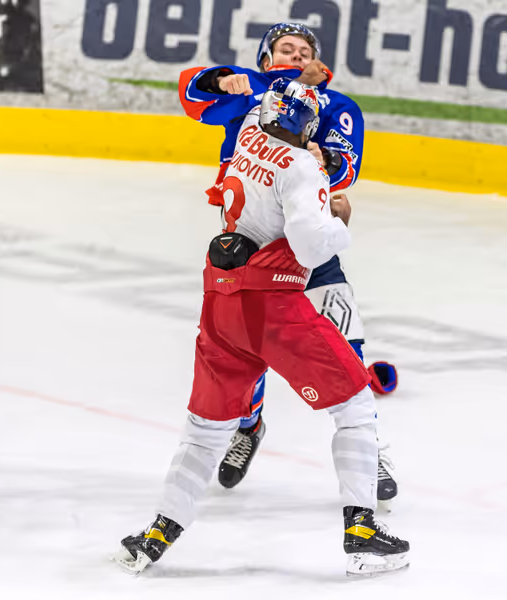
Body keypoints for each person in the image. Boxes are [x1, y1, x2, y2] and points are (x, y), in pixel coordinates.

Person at [114, 79, 409, 577]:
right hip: (274, 308)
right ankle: (362, 532)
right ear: (308, 127)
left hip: (220, 305)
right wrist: (341, 220)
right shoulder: (301, 167)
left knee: (205, 430)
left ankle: (156, 535)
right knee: (356, 406)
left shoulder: (248, 134)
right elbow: (311, 246)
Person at [178, 23, 399, 507]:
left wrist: (323, 160)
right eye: (286, 50)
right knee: (242, 347)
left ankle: (370, 446)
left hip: (308, 240)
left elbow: (347, 167)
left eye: (304, 52)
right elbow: (192, 93)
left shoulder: (337, 106)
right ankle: (247, 425)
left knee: (345, 337)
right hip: (249, 246)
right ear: (265, 59)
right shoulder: (250, 94)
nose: (297, 56)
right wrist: (223, 80)